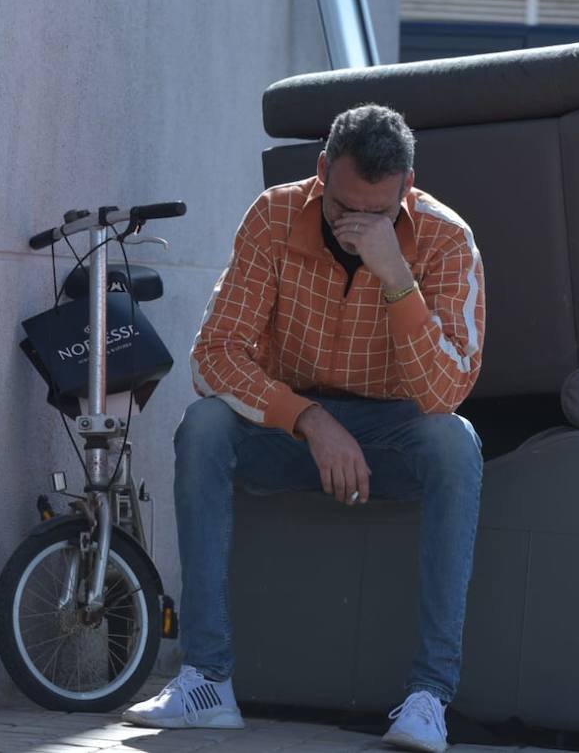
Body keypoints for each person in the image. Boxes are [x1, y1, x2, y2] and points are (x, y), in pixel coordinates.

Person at [124, 104, 486, 753]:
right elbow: (215, 357)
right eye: (344, 206)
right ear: (322, 172)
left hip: (395, 439)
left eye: (377, 212)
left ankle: (430, 698)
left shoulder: (447, 240)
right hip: (290, 429)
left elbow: (445, 394)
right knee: (203, 426)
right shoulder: (273, 215)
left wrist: (397, 278)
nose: (356, 225)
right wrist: (311, 421)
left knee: (455, 444)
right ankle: (206, 680)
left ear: (407, 186)